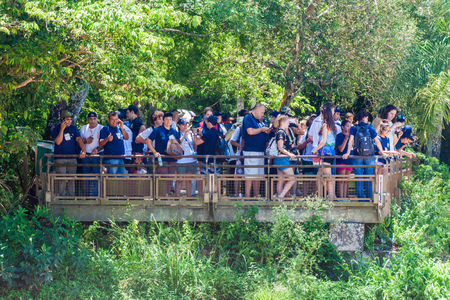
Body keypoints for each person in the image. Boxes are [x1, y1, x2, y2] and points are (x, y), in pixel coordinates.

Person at [342, 110, 383, 200]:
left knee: (359, 177)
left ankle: (361, 198)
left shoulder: (354, 128)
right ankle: (368, 198)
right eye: (367, 117)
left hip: (357, 155)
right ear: (364, 117)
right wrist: (382, 152)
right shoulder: (370, 127)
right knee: (369, 177)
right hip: (369, 156)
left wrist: (348, 152)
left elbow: (351, 140)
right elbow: (376, 140)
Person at [52, 111, 86, 196]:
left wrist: (83, 150)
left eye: (70, 119)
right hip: (60, 158)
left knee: (72, 179)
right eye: (67, 119)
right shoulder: (56, 129)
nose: (69, 121)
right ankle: (61, 197)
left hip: (72, 157)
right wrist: (62, 129)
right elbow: (58, 142)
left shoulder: (74, 128)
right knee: (62, 179)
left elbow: (79, 140)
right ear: (62, 119)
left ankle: (71, 197)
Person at [145, 112, 180, 196]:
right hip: (161, 158)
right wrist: (154, 152)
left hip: (172, 159)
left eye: (170, 119)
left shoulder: (174, 131)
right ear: (163, 120)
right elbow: (148, 141)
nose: (168, 121)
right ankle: (161, 196)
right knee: (163, 177)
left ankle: (167, 195)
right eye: (166, 119)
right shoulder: (158, 130)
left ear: (172, 121)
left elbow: (179, 143)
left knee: (170, 178)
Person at [242, 104, 271, 198]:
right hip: (251, 150)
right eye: (262, 112)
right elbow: (250, 131)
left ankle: (256, 196)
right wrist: (262, 129)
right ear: (257, 110)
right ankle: (247, 197)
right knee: (250, 175)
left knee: (258, 176)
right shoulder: (248, 118)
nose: (263, 115)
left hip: (260, 151)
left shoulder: (259, 121)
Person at [312, 106, 337, 199]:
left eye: (321, 113)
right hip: (330, 153)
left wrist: (315, 150)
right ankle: (322, 196)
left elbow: (323, 141)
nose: (320, 115)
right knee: (319, 176)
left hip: (326, 154)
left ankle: (331, 196)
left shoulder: (326, 125)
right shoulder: (332, 125)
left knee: (327, 176)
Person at [273, 115, 297, 199]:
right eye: (288, 122)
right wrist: (289, 154)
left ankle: (280, 198)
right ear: (283, 122)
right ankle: (281, 196)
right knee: (293, 178)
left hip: (281, 159)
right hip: (282, 159)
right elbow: (280, 147)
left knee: (281, 179)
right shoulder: (281, 132)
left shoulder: (280, 131)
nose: (289, 124)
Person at [79, 112, 103, 196]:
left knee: (96, 176)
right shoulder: (83, 128)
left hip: (97, 155)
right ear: (88, 119)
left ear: (97, 119)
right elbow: (78, 142)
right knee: (86, 176)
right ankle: (86, 196)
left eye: (94, 119)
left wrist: (97, 149)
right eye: (90, 119)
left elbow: (104, 143)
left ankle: (96, 196)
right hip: (86, 155)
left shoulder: (101, 128)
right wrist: (85, 141)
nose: (92, 121)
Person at [175, 118, 198, 197]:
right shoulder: (176, 133)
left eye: (186, 124)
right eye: (183, 125)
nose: (185, 126)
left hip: (191, 159)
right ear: (179, 125)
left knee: (189, 180)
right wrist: (184, 135)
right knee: (179, 180)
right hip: (181, 160)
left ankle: (189, 198)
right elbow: (176, 144)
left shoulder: (191, 133)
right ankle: (177, 198)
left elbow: (194, 144)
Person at [298, 118, 316, 196]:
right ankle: (305, 196)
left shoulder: (320, 134)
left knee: (316, 179)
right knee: (306, 179)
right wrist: (307, 141)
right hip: (307, 159)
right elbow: (298, 146)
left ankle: (315, 196)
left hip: (316, 159)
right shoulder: (305, 134)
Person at [335, 120, 353, 199]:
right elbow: (341, 149)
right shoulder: (339, 136)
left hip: (349, 160)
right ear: (342, 127)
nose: (349, 127)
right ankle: (341, 197)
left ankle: (345, 197)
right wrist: (346, 139)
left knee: (346, 179)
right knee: (341, 179)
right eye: (347, 125)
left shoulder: (352, 136)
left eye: (350, 126)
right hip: (341, 160)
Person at [125, 105, 146, 173]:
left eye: (128, 112)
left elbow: (143, 128)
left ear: (132, 112)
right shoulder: (132, 122)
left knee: (137, 169)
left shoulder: (137, 121)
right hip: (134, 149)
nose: (127, 114)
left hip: (138, 149)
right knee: (133, 169)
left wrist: (138, 138)